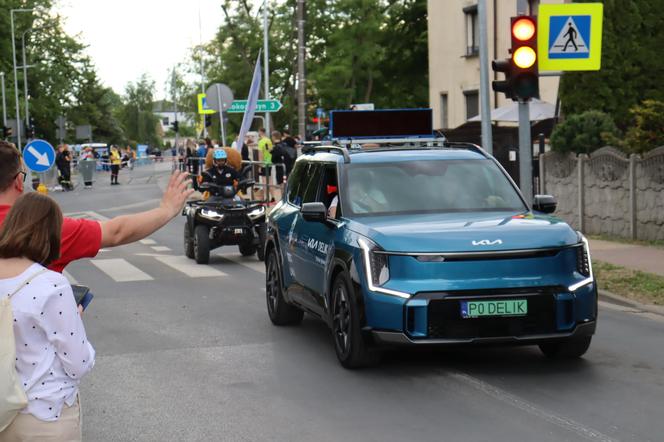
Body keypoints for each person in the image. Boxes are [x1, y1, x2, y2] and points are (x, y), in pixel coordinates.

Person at [0, 141, 194, 274]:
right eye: (24, 177)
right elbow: (117, 232)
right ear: (18, 181)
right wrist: (166, 210)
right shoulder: (39, 228)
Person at [0, 192, 95, 441]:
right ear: (50, 233)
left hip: (4, 413)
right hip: (46, 415)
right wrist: (74, 319)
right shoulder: (51, 285)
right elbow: (78, 364)